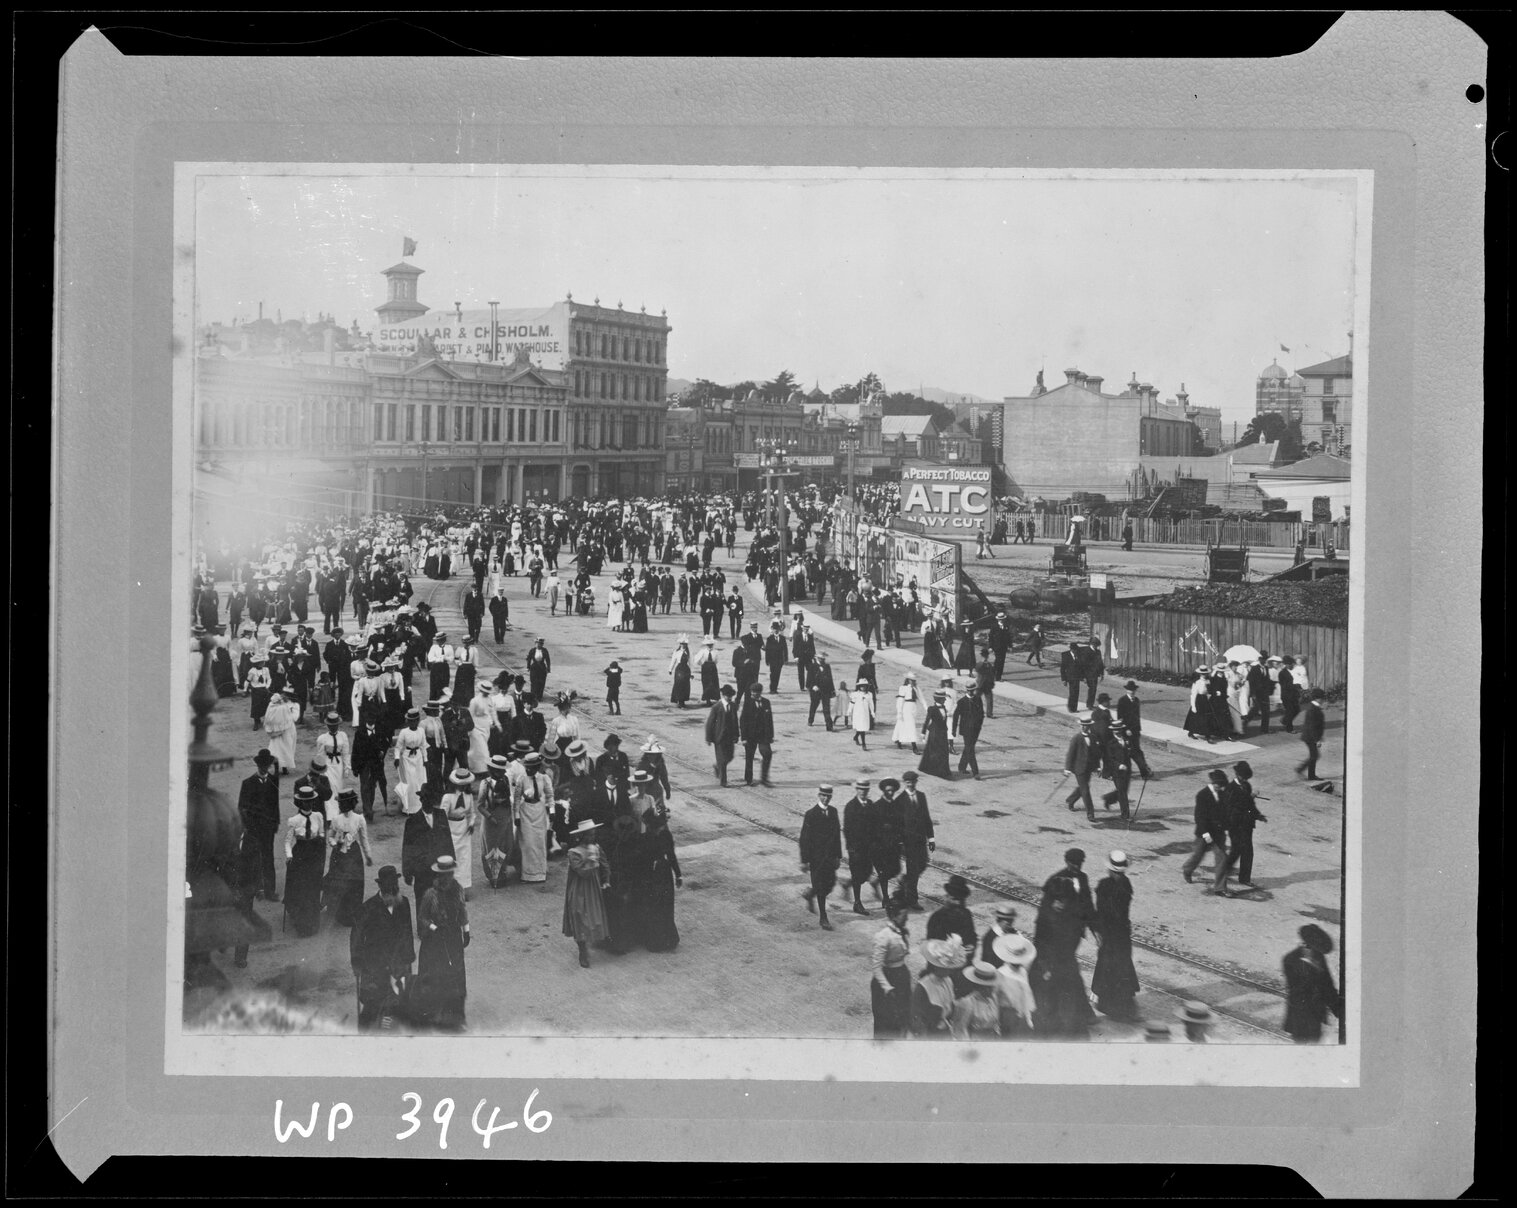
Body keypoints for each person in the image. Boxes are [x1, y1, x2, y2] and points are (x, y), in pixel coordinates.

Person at [1029, 848, 1097, 1037]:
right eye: (1073, 864)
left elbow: (1087, 905)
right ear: (1067, 862)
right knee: (1067, 979)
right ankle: (1079, 1016)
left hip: (1070, 938)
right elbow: (1041, 930)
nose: (1076, 867)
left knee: (1070, 976)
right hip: (1054, 948)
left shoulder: (1082, 878)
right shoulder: (1055, 882)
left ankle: (1081, 1014)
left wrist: (1094, 928)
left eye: (1079, 864)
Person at [350, 865, 415, 1031]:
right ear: (380, 886)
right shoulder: (367, 908)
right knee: (373, 1005)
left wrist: (408, 959)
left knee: (398, 1002)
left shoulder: (404, 903)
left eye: (394, 887)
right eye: (388, 888)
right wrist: (357, 962)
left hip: (398, 963)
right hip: (375, 965)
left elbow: (407, 932)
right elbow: (356, 938)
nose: (392, 892)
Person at [414, 855, 470, 1030]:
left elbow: (462, 911)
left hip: (453, 939)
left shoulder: (458, 890)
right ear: (439, 875)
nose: (447, 878)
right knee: (435, 977)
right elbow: (422, 918)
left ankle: (455, 1018)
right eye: (444, 875)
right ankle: (433, 1016)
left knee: (456, 977)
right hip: (435, 942)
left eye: (450, 874)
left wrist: (466, 930)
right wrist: (434, 928)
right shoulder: (430, 895)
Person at [1090, 850, 1140, 1020]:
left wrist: (1098, 931)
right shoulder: (1126, 883)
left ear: (1110, 869)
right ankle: (1122, 1006)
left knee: (1108, 966)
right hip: (1121, 933)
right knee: (1122, 967)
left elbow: (1101, 911)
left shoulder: (1104, 885)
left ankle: (1107, 1003)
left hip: (1110, 933)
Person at [562, 820, 611, 968]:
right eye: (589, 835)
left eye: (593, 834)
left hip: (593, 888)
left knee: (593, 916)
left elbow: (605, 864)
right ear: (582, 836)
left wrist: (606, 880)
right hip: (579, 889)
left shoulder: (596, 848)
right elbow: (583, 872)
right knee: (579, 916)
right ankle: (582, 950)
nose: (592, 837)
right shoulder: (574, 852)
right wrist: (591, 860)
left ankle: (597, 940)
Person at [1283, 924, 1342, 1043]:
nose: (1314, 951)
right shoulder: (1290, 960)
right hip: (1300, 1017)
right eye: (1311, 948)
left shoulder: (1318, 957)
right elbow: (1297, 992)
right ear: (1305, 944)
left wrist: (1339, 1010)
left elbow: (1328, 986)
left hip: (1316, 1015)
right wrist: (1312, 970)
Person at [282, 784, 328, 937]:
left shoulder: (318, 816)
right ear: (300, 803)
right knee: (302, 890)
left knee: (313, 889)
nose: (308, 804)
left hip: (314, 854)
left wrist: (320, 847)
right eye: (305, 802)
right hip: (300, 855)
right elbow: (288, 841)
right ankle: (302, 925)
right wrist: (289, 855)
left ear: (313, 802)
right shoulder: (294, 820)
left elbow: (322, 834)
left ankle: (313, 924)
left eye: (310, 801)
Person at [324, 789, 374, 927]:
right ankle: (341, 913)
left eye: (344, 803)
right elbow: (330, 837)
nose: (341, 806)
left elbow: (364, 839)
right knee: (339, 883)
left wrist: (368, 856)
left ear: (351, 803)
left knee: (355, 883)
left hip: (353, 855)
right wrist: (335, 844)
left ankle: (353, 913)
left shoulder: (359, 819)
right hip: (339, 855)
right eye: (340, 803)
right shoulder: (336, 820)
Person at [237, 749, 282, 901]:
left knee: (268, 858)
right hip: (253, 829)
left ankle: (270, 891)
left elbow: (275, 804)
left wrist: (275, 823)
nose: (264, 768)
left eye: (266, 765)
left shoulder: (273, 781)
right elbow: (241, 808)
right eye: (261, 766)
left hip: (268, 829)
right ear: (258, 766)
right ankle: (256, 889)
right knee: (253, 858)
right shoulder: (248, 783)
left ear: (268, 765)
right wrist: (247, 827)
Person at [637, 802, 682, 951]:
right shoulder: (651, 836)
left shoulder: (661, 836)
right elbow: (670, 856)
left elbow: (671, 855)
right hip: (657, 873)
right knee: (657, 906)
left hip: (659, 874)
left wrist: (678, 875)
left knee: (662, 905)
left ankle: (663, 939)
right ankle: (661, 939)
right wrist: (678, 875)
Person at [798, 784, 843, 930]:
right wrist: (804, 860)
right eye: (823, 795)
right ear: (819, 796)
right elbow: (804, 838)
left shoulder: (833, 812)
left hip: (830, 857)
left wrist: (838, 856)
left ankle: (810, 894)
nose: (826, 799)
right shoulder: (811, 814)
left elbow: (837, 835)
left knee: (830, 884)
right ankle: (823, 918)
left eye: (828, 796)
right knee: (821, 888)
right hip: (816, 858)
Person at [869, 892, 913, 1038]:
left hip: (901, 977)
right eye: (903, 915)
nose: (906, 918)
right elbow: (876, 967)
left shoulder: (902, 932)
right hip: (888, 981)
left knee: (903, 1016)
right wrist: (887, 988)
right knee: (886, 1022)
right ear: (894, 916)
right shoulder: (883, 936)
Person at [1181, 770, 1231, 891]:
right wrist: (1205, 833)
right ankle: (1187, 869)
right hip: (1204, 833)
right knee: (1198, 856)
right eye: (1218, 784)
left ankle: (1220, 888)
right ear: (1213, 782)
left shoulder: (1222, 794)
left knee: (1222, 858)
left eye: (1222, 784)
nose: (1220, 787)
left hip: (1218, 833)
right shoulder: (1202, 795)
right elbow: (1199, 817)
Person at [896, 771, 935, 909]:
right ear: (904, 783)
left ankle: (906, 881)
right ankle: (912, 900)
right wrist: (900, 842)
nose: (910, 784)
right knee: (913, 870)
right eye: (908, 782)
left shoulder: (921, 796)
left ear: (916, 782)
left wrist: (931, 838)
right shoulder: (900, 800)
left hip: (921, 839)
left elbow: (927, 818)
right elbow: (898, 824)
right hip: (908, 842)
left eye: (912, 782)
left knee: (923, 864)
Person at [912, 939, 965, 1038]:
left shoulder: (948, 980)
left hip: (946, 1030)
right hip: (929, 1033)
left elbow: (950, 1005)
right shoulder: (923, 987)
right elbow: (918, 1018)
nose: (950, 971)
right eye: (946, 968)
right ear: (936, 967)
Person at [440, 768, 478, 900]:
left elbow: (472, 813)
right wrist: (444, 831)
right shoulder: (448, 797)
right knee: (452, 859)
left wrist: (471, 824)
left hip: (464, 830)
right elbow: (442, 816)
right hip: (450, 829)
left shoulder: (468, 796)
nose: (463, 787)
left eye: (465, 785)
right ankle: (451, 890)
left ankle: (463, 889)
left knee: (464, 860)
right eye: (460, 785)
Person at [514, 752, 553, 883]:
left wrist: (552, 810)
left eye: (531, 768)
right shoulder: (521, 779)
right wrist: (516, 815)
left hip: (539, 812)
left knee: (539, 842)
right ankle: (527, 874)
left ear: (537, 767)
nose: (528, 770)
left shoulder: (544, 778)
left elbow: (550, 796)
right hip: (525, 812)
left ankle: (540, 873)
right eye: (527, 767)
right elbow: (517, 799)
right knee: (528, 843)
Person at [991, 933, 1039, 1036]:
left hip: (1022, 1014)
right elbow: (995, 998)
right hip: (1007, 1014)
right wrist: (996, 1022)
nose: (1018, 963)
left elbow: (1026, 994)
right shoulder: (1001, 973)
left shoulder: (1023, 972)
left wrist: (1028, 1018)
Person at [867, 779, 904, 907]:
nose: (890, 793)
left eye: (892, 790)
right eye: (888, 790)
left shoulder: (896, 806)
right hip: (879, 846)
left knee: (895, 869)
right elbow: (871, 827)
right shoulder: (876, 806)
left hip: (893, 845)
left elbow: (900, 824)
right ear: (883, 791)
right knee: (883, 872)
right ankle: (886, 899)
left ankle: (875, 882)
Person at [842, 778, 875, 915]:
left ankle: (848, 884)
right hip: (856, 848)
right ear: (857, 790)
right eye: (860, 789)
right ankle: (857, 903)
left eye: (865, 789)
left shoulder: (871, 805)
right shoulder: (851, 806)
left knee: (866, 873)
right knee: (857, 874)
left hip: (868, 848)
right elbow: (847, 829)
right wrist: (851, 848)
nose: (863, 792)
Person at [926, 875, 975, 957]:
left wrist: (972, 945)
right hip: (940, 958)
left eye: (961, 900)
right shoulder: (937, 917)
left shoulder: (966, 914)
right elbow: (931, 943)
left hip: (961, 958)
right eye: (954, 899)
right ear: (947, 897)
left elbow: (972, 935)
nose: (958, 903)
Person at [952, 962, 1003, 1038]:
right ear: (980, 986)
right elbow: (960, 1029)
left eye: (992, 986)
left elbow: (996, 1024)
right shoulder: (967, 1002)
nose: (992, 990)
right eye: (988, 987)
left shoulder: (993, 999)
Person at [1062, 717, 1099, 821]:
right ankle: (1090, 814)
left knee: (1084, 787)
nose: (1083, 727)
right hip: (1079, 768)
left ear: (1089, 726)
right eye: (1082, 725)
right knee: (1085, 790)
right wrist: (1067, 769)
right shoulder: (1076, 738)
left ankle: (1071, 800)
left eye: (1085, 726)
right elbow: (1070, 754)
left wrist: (1098, 767)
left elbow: (1096, 754)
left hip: (1089, 768)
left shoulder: (1093, 738)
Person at [739, 682, 775, 787]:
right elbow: (742, 721)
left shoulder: (766, 702)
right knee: (749, 757)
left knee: (767, 754)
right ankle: (748, 779)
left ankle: (764, 778)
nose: (754, 694)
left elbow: (770, 720)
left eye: (757, 692)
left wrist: (771, 736)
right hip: (750, 736)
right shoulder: (747, 703)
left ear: (760, 692)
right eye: (753, 692)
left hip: (763, 735)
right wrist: (744, 738)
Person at [1114, 681, 1153, 779]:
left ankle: (1144, 772)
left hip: (1135, 731)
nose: (1132, 692)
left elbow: (1137, 717)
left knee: (1137, 751)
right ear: (1127, 690)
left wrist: (1137, 729)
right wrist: (1126, 729)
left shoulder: (1136, 700)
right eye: (1130, 690)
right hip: (1126, 732)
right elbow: (1120, 717)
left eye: (1133, 690)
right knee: (1129, 752)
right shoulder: (1122, 701)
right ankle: (1123, 771)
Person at [704, 685, 740, 786]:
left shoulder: (733, 706)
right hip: (719, 737)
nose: (729, 698)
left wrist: (737, 735)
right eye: (728, 696)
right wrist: (708, 738)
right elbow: (710, 723)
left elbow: (735, 721)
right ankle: (723, 781)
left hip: (730, 736)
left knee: (730, 756)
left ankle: (717, 766)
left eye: (731, 696)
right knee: (723, 759)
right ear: (723, 695)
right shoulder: (716, 707)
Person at [917, 690, 953, 780]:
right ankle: (937, 771)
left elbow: (943, 720)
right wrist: (923, 733)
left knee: (944, 751)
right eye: (944, 698)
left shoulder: (944, 707)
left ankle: (944, 770)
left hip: (943, 733)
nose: (945, 700)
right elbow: (927, 721)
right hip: (935, 733)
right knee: (936, 752)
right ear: (939, 699)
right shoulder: (932, 709)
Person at [952, 683, 985, 779]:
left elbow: (981, 714)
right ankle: (975, 772)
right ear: (966, 690)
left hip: (976, 729)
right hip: (966, 730)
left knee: (968, 747)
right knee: (970, 749)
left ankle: (962, 767)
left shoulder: (978, 699)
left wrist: (979, 725)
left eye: (972, 690)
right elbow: (955, 716)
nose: (971, 692)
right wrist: (954, 730)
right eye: (969, 690)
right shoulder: (961, 702)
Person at [263, 692, 299, 774]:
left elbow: (295, 718)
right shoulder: (281, 706)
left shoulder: (272, 706)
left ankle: (281, 769)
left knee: (280, 750)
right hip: (283, 731)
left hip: (281, 732)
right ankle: (281, 769)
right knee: (281, 749)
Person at [1296, 688, 1327, 780]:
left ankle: (1308, 774)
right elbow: (1312, 726)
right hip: (1310, 737)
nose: (1323, 700)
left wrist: (1319, 737)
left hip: (1310, 736)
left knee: (1314, 756)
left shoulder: (1314, 707)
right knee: (1314, 756)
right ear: (1318, 698)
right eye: (1322, 698)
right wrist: (1317, 740)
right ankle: (1302, 771)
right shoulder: (1313, 709)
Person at [892, 673, 922, 753]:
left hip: (913, 708)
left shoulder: (916, 688)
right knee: (911, 726)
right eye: (911, 680)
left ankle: (898, 739)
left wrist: (927, 708)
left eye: (913, 680)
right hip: (906, 708)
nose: (912, 682)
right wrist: (899, 712)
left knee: (902, 724)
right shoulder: (903, 688)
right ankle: (914, 747)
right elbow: (900, 700)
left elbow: (921, 699)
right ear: (908, 680)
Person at [807, 651, 837, 730]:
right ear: (816, 658)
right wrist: (812, 686)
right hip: (815, 691)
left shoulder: (827, 666)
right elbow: (809, 679)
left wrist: (832, 690)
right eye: (820, 659)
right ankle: (810, 720)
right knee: (814, 706)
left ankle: (829, 726)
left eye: (823, 659)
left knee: (826, 708)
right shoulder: (812, 666)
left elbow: (830, 679)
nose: (822, 660)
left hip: (825, 690)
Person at [849, 679, 875, 749]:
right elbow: (852, 703)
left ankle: (856, 737)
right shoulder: (855, 694)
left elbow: (871, 704)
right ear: (859, 687)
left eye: (864, 686)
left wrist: (872, 712)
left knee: (862, 727)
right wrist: (849, 710)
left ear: (867, 686)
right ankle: (864, 744)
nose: (862, 687)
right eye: (861, 686)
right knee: (861, 727)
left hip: (865, 713)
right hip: (857, 713)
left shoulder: (869, 694)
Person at [1059, 642, 1083, 712]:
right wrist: (1064, 679)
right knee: (1072, 693)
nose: (1076, 651)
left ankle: (1074, 708)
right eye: (1074, 650)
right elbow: (1062, 669)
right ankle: (1070, 708)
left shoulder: (1078, 655)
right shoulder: (1066, 656)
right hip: (1070, 677)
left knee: (1076, 693)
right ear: (1071, 649)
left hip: (1077, 677)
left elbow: (1081, 667)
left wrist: (1082, 677)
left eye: (1076, 650)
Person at [668, 639, 692, 708]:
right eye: (682, 644)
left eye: (685, 644)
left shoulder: (689, 652)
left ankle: (682, 701)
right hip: (679, 669)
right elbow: (673, 661)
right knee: (678, 684)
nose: (683, 645)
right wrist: (670, 669)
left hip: (686, 670)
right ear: (680, 644)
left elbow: (691, 663)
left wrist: (692, 673)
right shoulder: (677, 652)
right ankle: (679, 700)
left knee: (685, 685)